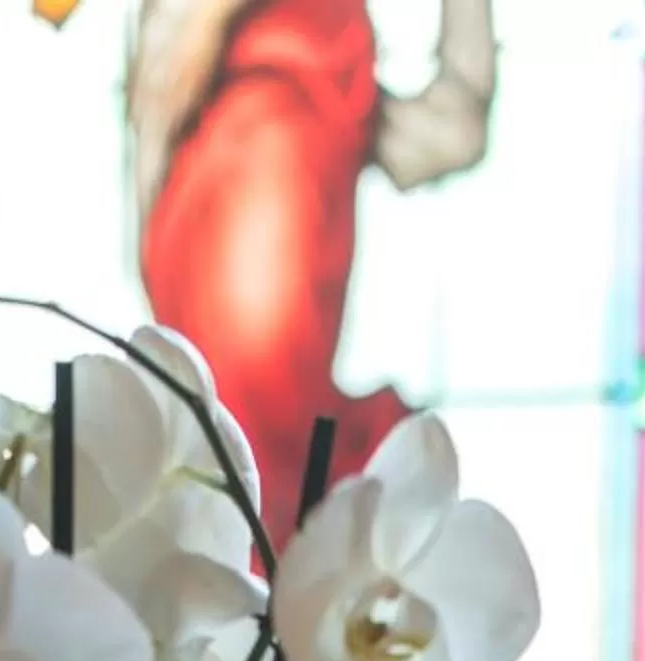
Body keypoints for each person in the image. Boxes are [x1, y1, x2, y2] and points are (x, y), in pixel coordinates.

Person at [130, 0, 497, 543]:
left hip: (300, 140)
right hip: (245, 149)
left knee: (266, 449)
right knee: (245, 439)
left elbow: (446, 134)